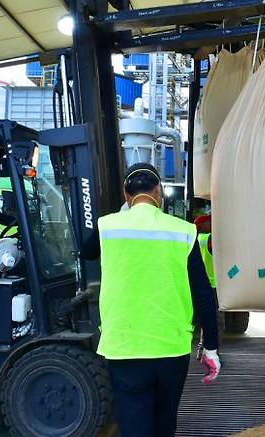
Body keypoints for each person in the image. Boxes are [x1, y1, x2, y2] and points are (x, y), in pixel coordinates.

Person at [83, 163, 220, 437]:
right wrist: (211, 349)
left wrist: (122, 213)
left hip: (125, 348)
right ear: (159, 192)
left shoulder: (107, 226)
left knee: (134, 425)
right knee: (165, 422)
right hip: (171, 349)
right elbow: (203, 293)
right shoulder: (183, 231)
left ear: (126, 194)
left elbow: (86, 252)